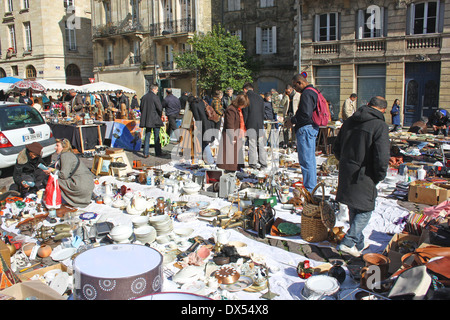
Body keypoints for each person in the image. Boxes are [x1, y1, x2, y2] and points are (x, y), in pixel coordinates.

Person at [333, 96, 390, 257]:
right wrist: (379, 175)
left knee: (354, 205)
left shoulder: (350, 121)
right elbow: (382, 156)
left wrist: (345, 161)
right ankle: (349, 242)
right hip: (365, 172)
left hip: (348, 169)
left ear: (367, 105)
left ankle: (359, 242)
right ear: (383, 110)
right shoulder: (380, 125)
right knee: (365, 209)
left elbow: (336, 147)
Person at [284, 73, 319, 192]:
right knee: (309, 160)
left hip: (306, 129)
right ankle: (311, 186)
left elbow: (305, 114)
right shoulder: (313, 91)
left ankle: (310, 189)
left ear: (300, 82)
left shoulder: (307, 93)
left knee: (306, 160)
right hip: (310, 128)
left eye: (295, 86)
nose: (295, 89)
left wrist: (292, 121)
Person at [44, 139, 94, 208]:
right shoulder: (69, 154)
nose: (55, 148)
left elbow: (63, 175)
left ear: (64, 147)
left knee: (54, 179)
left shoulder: (65, 155)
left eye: (57, 146)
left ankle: (53, 199)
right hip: (87, 184)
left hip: (81, 185)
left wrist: (52, 170)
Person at [217, 94, 249, 172]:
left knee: (234, 156)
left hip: (235, 135)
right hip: (230, 136)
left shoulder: (236, 109)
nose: (244, 107)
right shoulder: (231, 110)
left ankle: (233, 169)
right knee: (230, 156)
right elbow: (230, 124)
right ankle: (229, 171)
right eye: (243, 105)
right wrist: (232, 137)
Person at [242, 83, 267, 169]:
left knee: (252, 144)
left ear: (245, 90)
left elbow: (245, 113)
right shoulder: (260, 97)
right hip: (259, 123)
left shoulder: (246, 98)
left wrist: (244, 125)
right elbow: (263, 111)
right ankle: (263, 163)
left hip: (250, 124)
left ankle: (253, 163)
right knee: (261, 144)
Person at [188, 95, 215, 164]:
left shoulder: (193, 105)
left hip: (203, 124)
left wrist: (198, 128)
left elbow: (197, 118)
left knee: (204, 143)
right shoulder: (201, 102)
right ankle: (206, 159)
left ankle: (209, 160)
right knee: (205, 142)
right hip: (208, 123)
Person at [139, 83, 164, 158]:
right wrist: (159, 115)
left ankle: (145, 152)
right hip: (155, 119)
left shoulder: (144, 97)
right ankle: (158, 152)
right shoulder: (155, 97)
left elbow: (141, 108)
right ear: (153, 89)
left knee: (147, 135)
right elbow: (160, 108)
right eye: (156, 89)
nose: (157, 91)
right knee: (156, 136)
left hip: (147, 119)